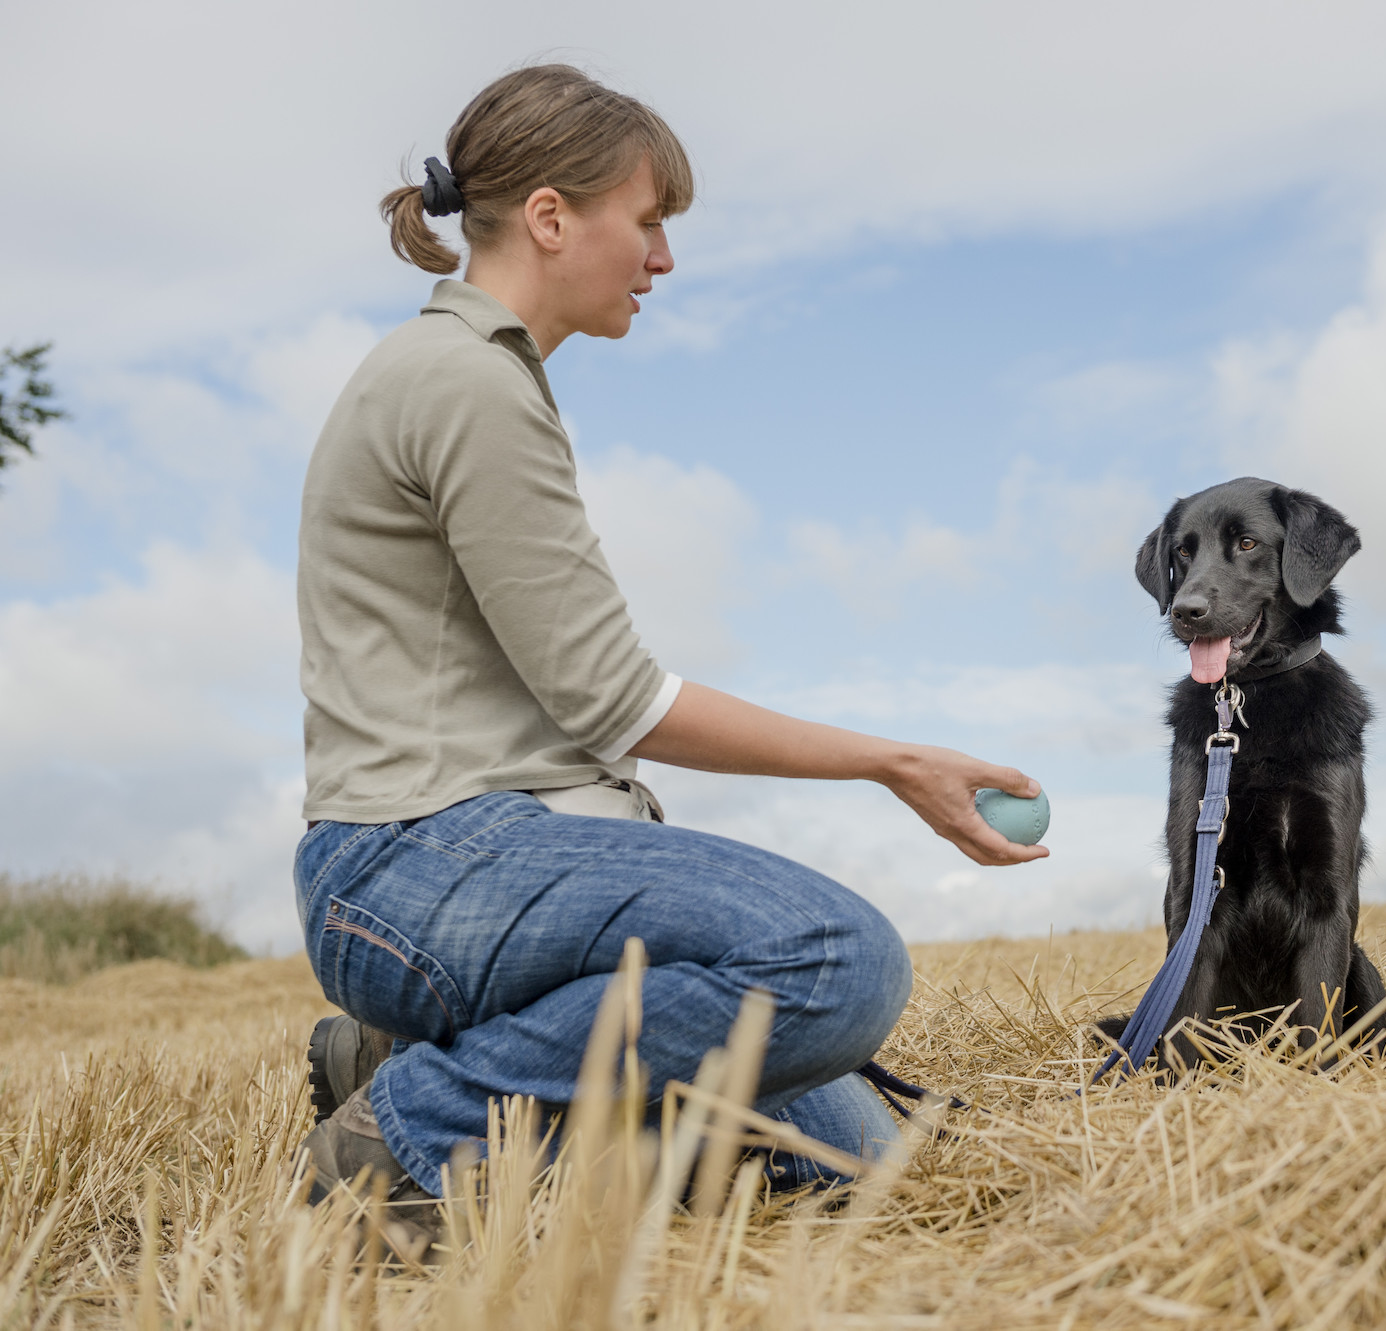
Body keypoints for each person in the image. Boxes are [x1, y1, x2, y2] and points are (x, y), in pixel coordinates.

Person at [293, 64, 1045, 1253]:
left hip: (480, 862)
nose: (661, 258)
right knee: (836, 962)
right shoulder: (464, 382)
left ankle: (411, 1052)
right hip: (416, 867)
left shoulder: (473, 375)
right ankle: (416, 1125)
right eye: (645, 222)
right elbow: (615, 696)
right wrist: (890, 761)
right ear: (551, 217)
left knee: (855, 1156)